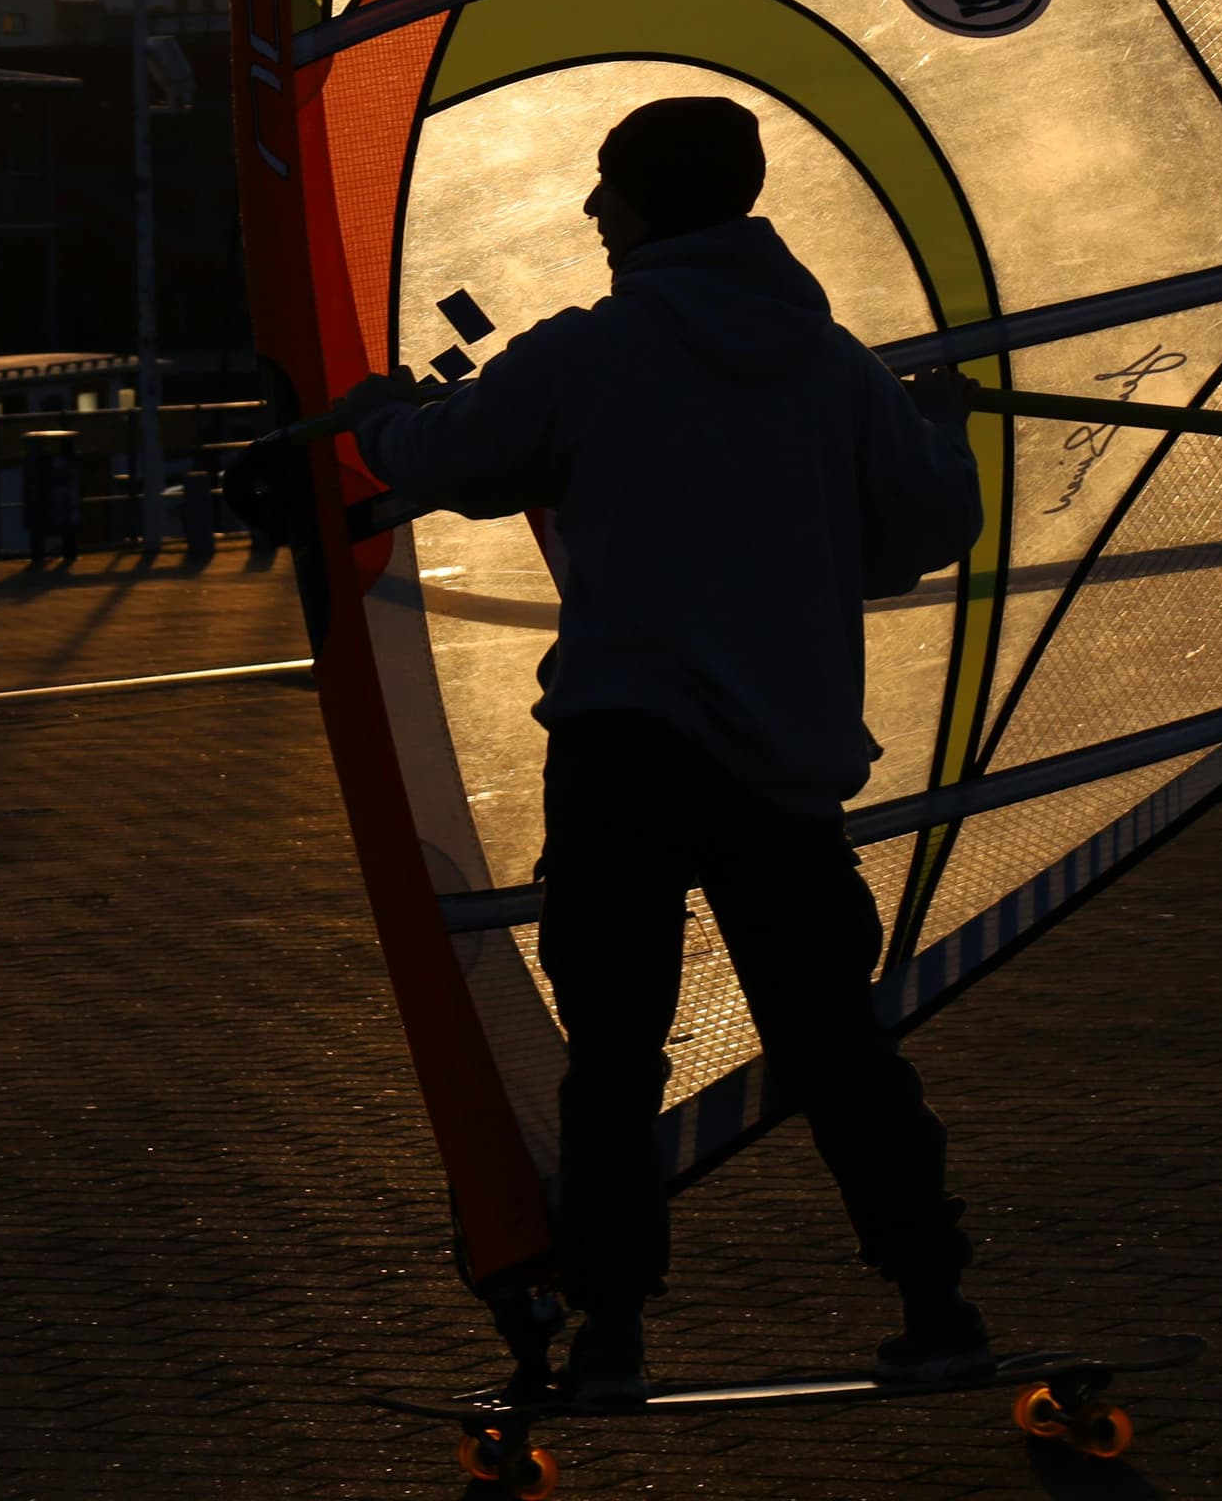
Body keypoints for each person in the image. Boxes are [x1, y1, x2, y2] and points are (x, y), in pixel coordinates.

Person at [346, 95, 990, 1405]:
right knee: (836, 1047)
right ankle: (940, 1304)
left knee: (617, 1051)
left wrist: (371, 415)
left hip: (626, 752)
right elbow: (923, 527)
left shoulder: (591, 352)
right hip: (781, 766)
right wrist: (942, 425)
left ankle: (613, 1340)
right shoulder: (834, 366)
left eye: (601, 191)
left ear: (635, 206)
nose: (588, 211)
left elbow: (450, 456)